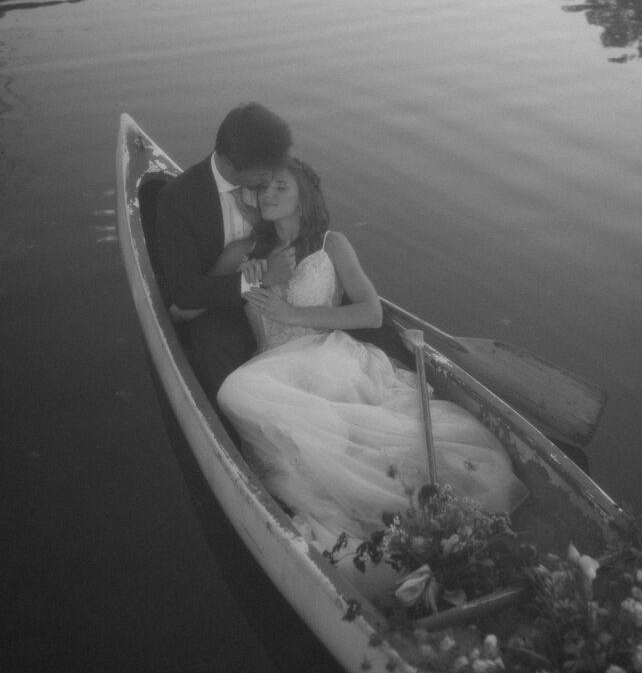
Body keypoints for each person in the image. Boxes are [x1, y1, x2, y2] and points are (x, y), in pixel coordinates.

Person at [216, 158, 527, 597]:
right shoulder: (246, 253)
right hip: (272, 367)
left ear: (304, 197)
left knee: (247, 394)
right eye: (263, 187)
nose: (268, 194)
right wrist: (250, 279)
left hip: (325, 355)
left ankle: (409, 507)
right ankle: (362, 511)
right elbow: (191, 302)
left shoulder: (331, 244)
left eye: (280, 187)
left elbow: (371, 311)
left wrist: (294, 313)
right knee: (242, 394)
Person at [155, 102, 294, 406]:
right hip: (216, 307)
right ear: (232, 164)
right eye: (263, 172)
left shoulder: (270, 177)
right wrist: (258, 281)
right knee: (218, 358)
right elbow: (186, 291)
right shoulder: (177, 201)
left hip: (280, 294)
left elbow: (299, 221)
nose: (271, 178)